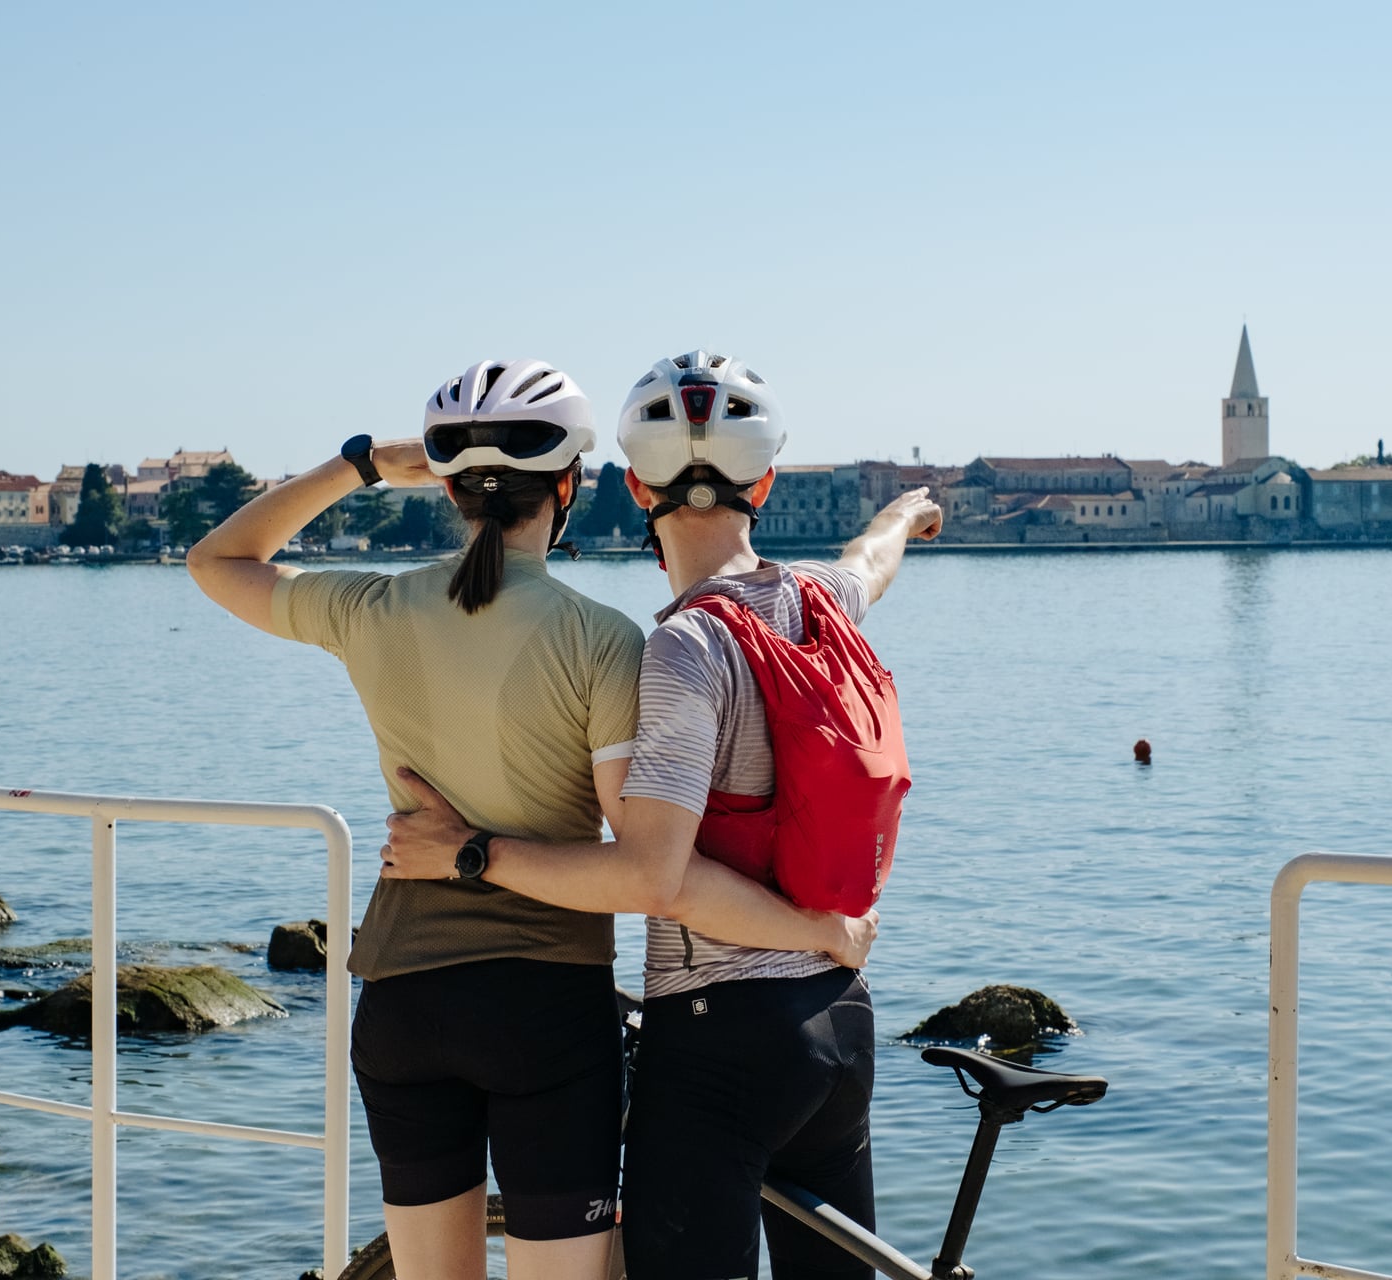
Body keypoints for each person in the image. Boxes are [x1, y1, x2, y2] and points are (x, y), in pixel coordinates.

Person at [185, 358, 869, 1280]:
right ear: (571, 486)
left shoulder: (369, 606)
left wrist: (365, 464)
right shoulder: (604, 640)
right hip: (543, 1012)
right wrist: (810, 929)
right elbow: (647, 867)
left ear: (454, 491)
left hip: (399, 999)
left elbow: (216, 560)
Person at [381, 349, 943, 1280]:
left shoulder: (685, 650)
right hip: (838, 1030)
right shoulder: (819, 600)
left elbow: (654, 876)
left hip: (723, 1040)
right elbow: (868, 565)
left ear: (636, 488)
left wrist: (468, 853)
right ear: (764, 480)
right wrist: (904, 515)